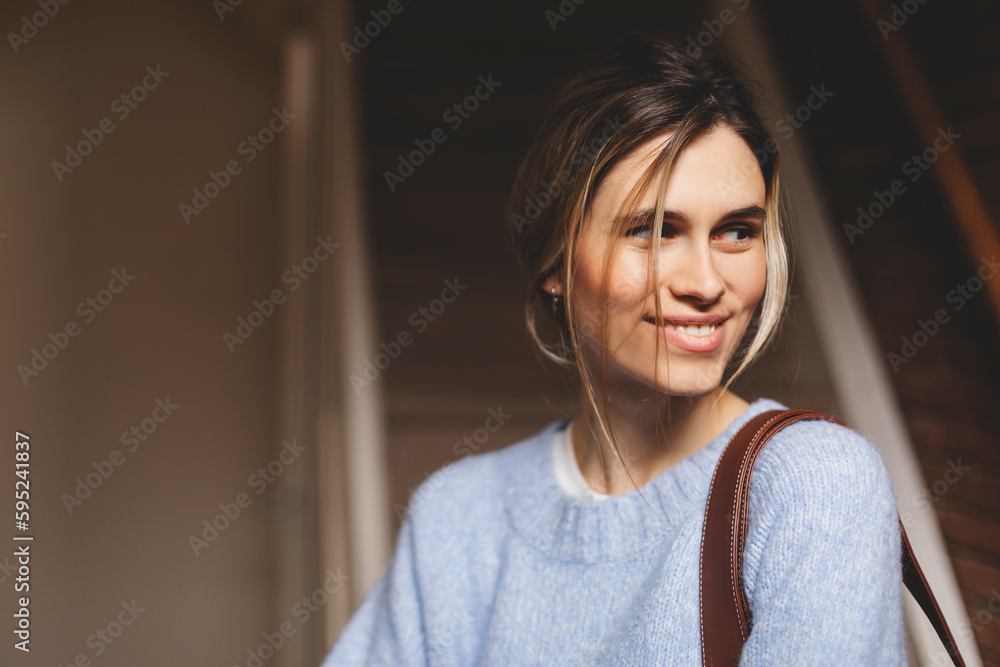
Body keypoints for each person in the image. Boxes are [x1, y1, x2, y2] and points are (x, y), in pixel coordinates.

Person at [323, 30, 907, 665]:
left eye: (738, 231)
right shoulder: (456, 517)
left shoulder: (813, 484)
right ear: (554, 260)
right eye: (651, 231)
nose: (707, 283)